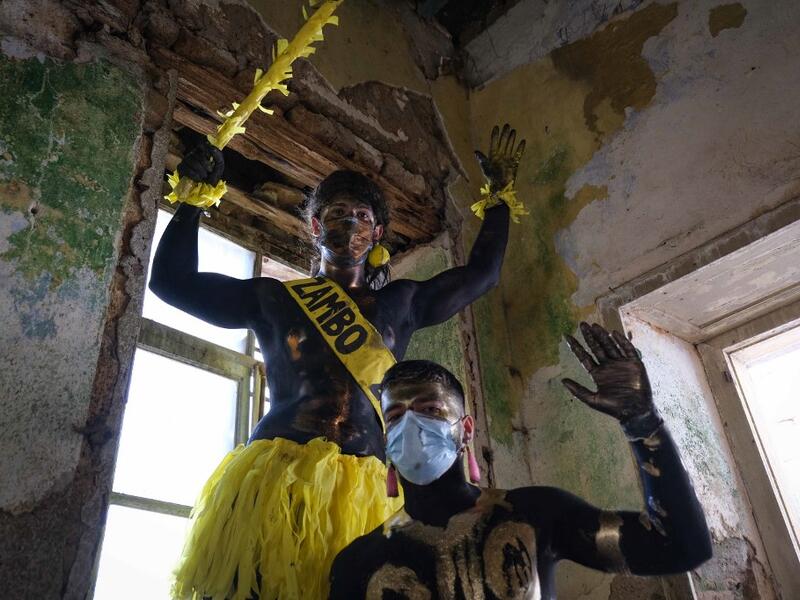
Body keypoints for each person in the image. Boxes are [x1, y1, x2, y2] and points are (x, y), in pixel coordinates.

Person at [149, 125, 527, 600]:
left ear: (378, 234)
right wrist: (191, 202)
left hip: (366, 486)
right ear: (313, 226)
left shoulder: (402, 303)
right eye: (336, 214)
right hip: (278, 476)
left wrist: (498, 199)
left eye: (362, 215)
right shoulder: (273, 298)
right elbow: (172, 283)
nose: (350, 223)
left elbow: (482, 274)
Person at [329, 322, 713, 599]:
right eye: (395, 416)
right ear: (385, 441)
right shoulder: (358, 563)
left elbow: (680, 547)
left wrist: (643, 423)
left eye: (429, 409)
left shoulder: (537, 513)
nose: (410, 424)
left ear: (465, 429)